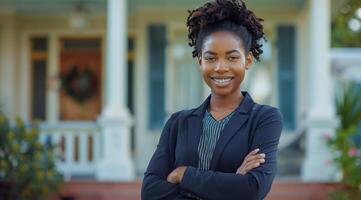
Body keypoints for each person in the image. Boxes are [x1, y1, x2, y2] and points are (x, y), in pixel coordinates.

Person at [141, 0, 283, 199]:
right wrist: (232, 182)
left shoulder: (264, 118)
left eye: (232, 57)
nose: (220, 67)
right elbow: (150, 192)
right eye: (211, 58)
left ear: (248, 60)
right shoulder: (178, 123)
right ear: (200, 61)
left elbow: (252, 189)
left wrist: (184, 174)